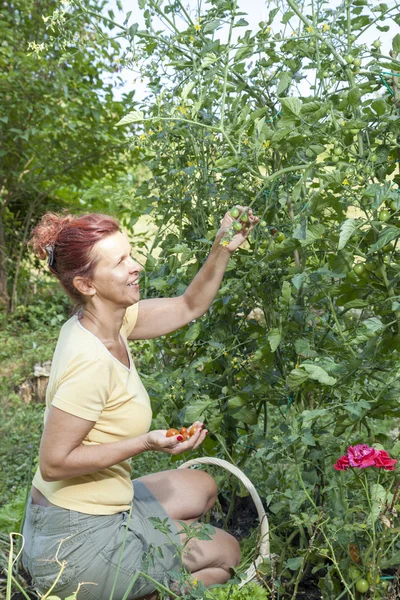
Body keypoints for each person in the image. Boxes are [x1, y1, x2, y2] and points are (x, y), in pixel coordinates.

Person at [22, 207, 258, 600]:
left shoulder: (111, 321)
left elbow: (188, 306)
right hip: (72, 546)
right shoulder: (90, 361)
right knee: (227, 554)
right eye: (120, 262)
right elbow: (55, 462)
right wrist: (146, 442)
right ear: (86, 284)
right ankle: (145, 591)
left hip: (97, 506)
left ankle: (142, 576)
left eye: (130, 254)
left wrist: (223, 247)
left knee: (202, 487)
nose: (136, 266)